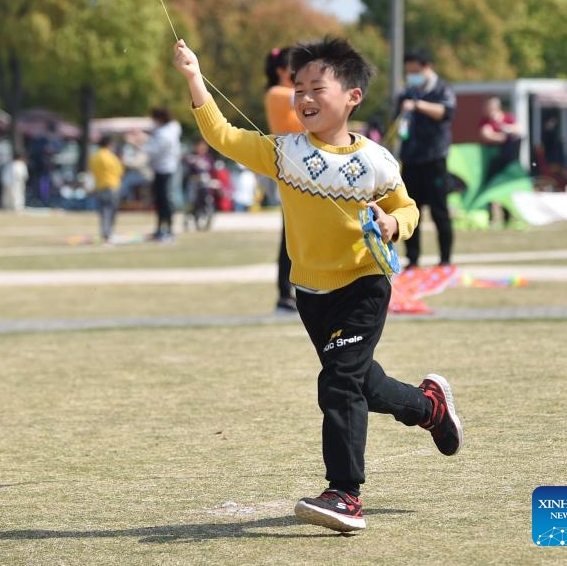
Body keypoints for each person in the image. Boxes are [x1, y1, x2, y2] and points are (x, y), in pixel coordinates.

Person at [174, 35, 463, 534]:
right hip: (311, 293)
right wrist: (195, 76)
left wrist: (395, 226)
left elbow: (408, 209)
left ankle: (345, 494)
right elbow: (221, 134)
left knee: (338, 384)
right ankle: (429, 406)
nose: (304, 98)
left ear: (352, 96)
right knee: (362, 384)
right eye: (297, 88)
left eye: (317, 88)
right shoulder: (282, 153)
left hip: (364, 284)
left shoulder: (376, 160)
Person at [396, 48, 456, 268]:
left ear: (427, 67)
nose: (412, 75)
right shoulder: (406, 93)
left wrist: (419, 106)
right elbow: (398, 121)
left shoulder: (442, 89)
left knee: (440, 211)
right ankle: (412, 259)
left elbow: (446, 112)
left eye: (415, 71)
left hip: (435, 159)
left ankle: (445, 259)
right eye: (408, 71)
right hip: (411, 160)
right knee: (411, 210)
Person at [264, 47, 303, 312]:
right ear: (281, 70)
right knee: (291, 235)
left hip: (306, 168)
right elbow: (308, 97)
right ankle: (284, 293)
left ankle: (294, 291)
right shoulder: (277, 93)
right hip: (291, 170)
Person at [144, 107, 182, 241]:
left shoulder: (164, 133)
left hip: (164, 169)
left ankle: (166, 229)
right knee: (162, 200)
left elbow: (153, 150)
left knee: (164, 201)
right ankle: (162, 228)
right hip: (166, 168)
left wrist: (138, 142)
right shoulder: (172, 128)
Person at [89, 135, 124, 243]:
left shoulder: (95, 156)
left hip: (100, 186)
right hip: (112, 186)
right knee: (111, 211)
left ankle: (105, 233)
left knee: (103, 212)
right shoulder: (111, 156)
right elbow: (120, 171)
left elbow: (92, 171)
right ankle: (108, 234)